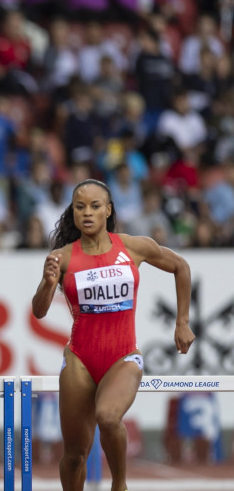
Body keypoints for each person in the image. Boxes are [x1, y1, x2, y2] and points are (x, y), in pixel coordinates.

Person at [31, 179, 195, 491]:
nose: (87, 213)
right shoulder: (62, 257)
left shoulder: (132, 247)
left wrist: (182, 322)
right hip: (79, 359)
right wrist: (48, 284)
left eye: (94, 206)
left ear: (108, 210)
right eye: (80, 207)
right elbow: (39, 311)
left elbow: (181, 267)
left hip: (123, 357)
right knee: (75, 454)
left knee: (108, 417)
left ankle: (119, 485)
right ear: (74, 213)